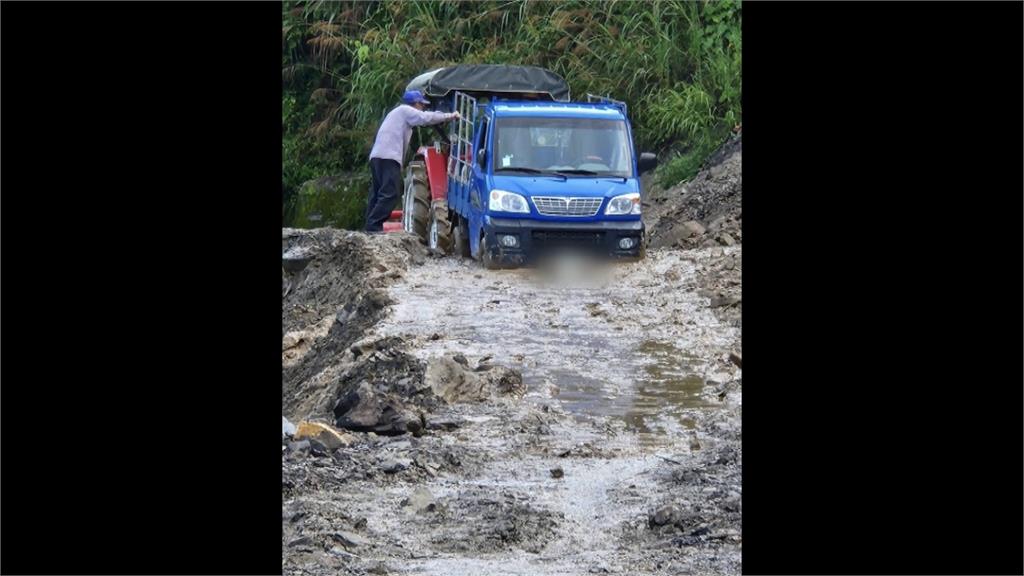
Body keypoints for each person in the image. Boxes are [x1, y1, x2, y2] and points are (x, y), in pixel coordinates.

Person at [364, 90, 459, 232]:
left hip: (378, 156)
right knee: (390, 193)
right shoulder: (405, 111)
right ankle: (373, 226)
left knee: (378, 193)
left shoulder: (397, 114)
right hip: (388, 156)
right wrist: (450, 116)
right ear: (416, 103)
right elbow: (426, 118)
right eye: (422, 105)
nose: (423, 108)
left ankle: (369, 226)